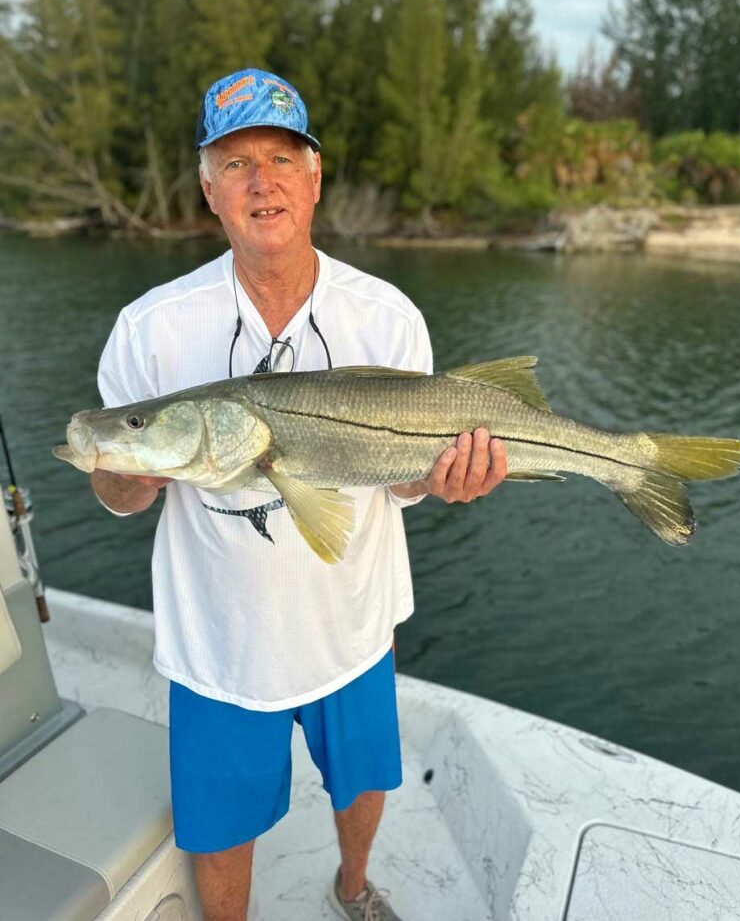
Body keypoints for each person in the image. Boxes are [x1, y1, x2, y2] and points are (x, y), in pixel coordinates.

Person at [90, 67, 507, 921]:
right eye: (235, 163)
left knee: (362, 783)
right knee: (216, 830)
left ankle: (352, 887)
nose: (261, 181)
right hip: (220, 645)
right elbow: (120, 493)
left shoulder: (386, 314)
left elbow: (400, 478)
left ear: (314, 179)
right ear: (208, 191)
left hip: (352, 626)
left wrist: (439, 477)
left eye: (281, 157)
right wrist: (122, 472)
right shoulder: (150, 327)